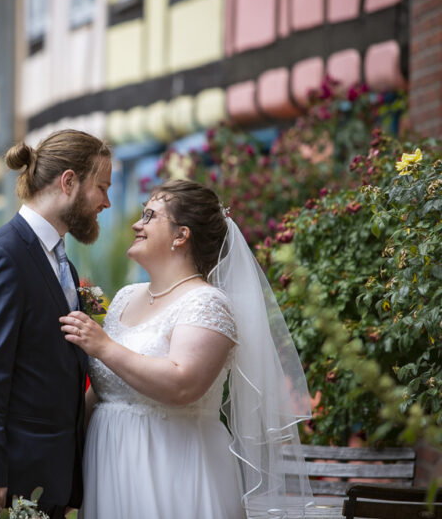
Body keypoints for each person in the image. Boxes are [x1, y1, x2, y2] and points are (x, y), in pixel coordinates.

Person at [60, 180, 315, 518]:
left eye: (149, 216)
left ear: (181, 235)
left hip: (174, 466)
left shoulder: (207, 302)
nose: (137, 224)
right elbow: (109, 388)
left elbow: (183, 384)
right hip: (110, 462)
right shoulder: (124, 297)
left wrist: (104, 347)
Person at [0, 129, 113, 519]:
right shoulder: (0, 257)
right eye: (101, 187)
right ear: (69, 182)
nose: (107, 201)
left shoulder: (63, 263)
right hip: (1, 479)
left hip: (42, 474)